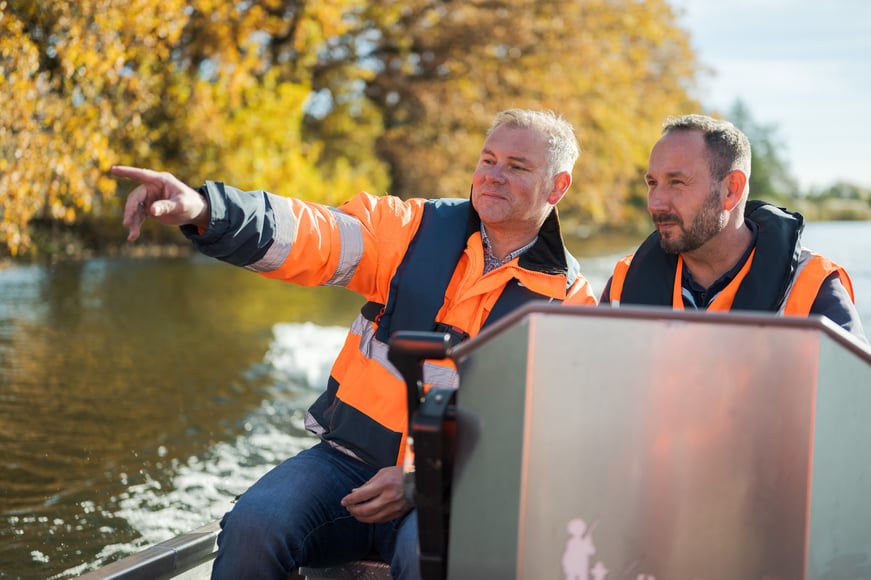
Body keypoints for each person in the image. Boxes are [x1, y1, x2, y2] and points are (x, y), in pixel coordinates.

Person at [113, 108, 598, 579]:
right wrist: (206, 209)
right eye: (488, 159)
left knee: (437, 561)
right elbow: (310, 233)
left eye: (516, 167)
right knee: (253, 525)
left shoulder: (570, 305)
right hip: (346, 464)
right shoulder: (410, 228)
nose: (493, 175)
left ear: (558, 186)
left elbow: (540, 442)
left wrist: (421, 480)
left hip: (453, 492)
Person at [586, 113, 865, 341]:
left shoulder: (815, 286)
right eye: (652, 184)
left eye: (677, 183)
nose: (656, 203)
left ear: (731, 189)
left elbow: (851, 403)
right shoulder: (625, 281)